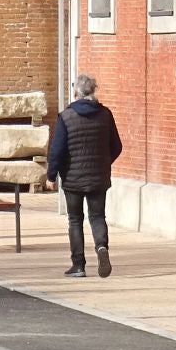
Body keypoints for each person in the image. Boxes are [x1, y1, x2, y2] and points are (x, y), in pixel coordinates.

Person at [47, 74, 122, 278]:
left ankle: (78, 265)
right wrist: (103, 163)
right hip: (99, 177)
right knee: (97, 216)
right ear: (93, 90)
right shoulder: (105, 114)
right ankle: (101, 247)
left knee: (75, 220)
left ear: (75, 93)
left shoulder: (66, 117)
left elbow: (57, 150)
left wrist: (51, 176)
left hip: (72, 179)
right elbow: (117, 146)